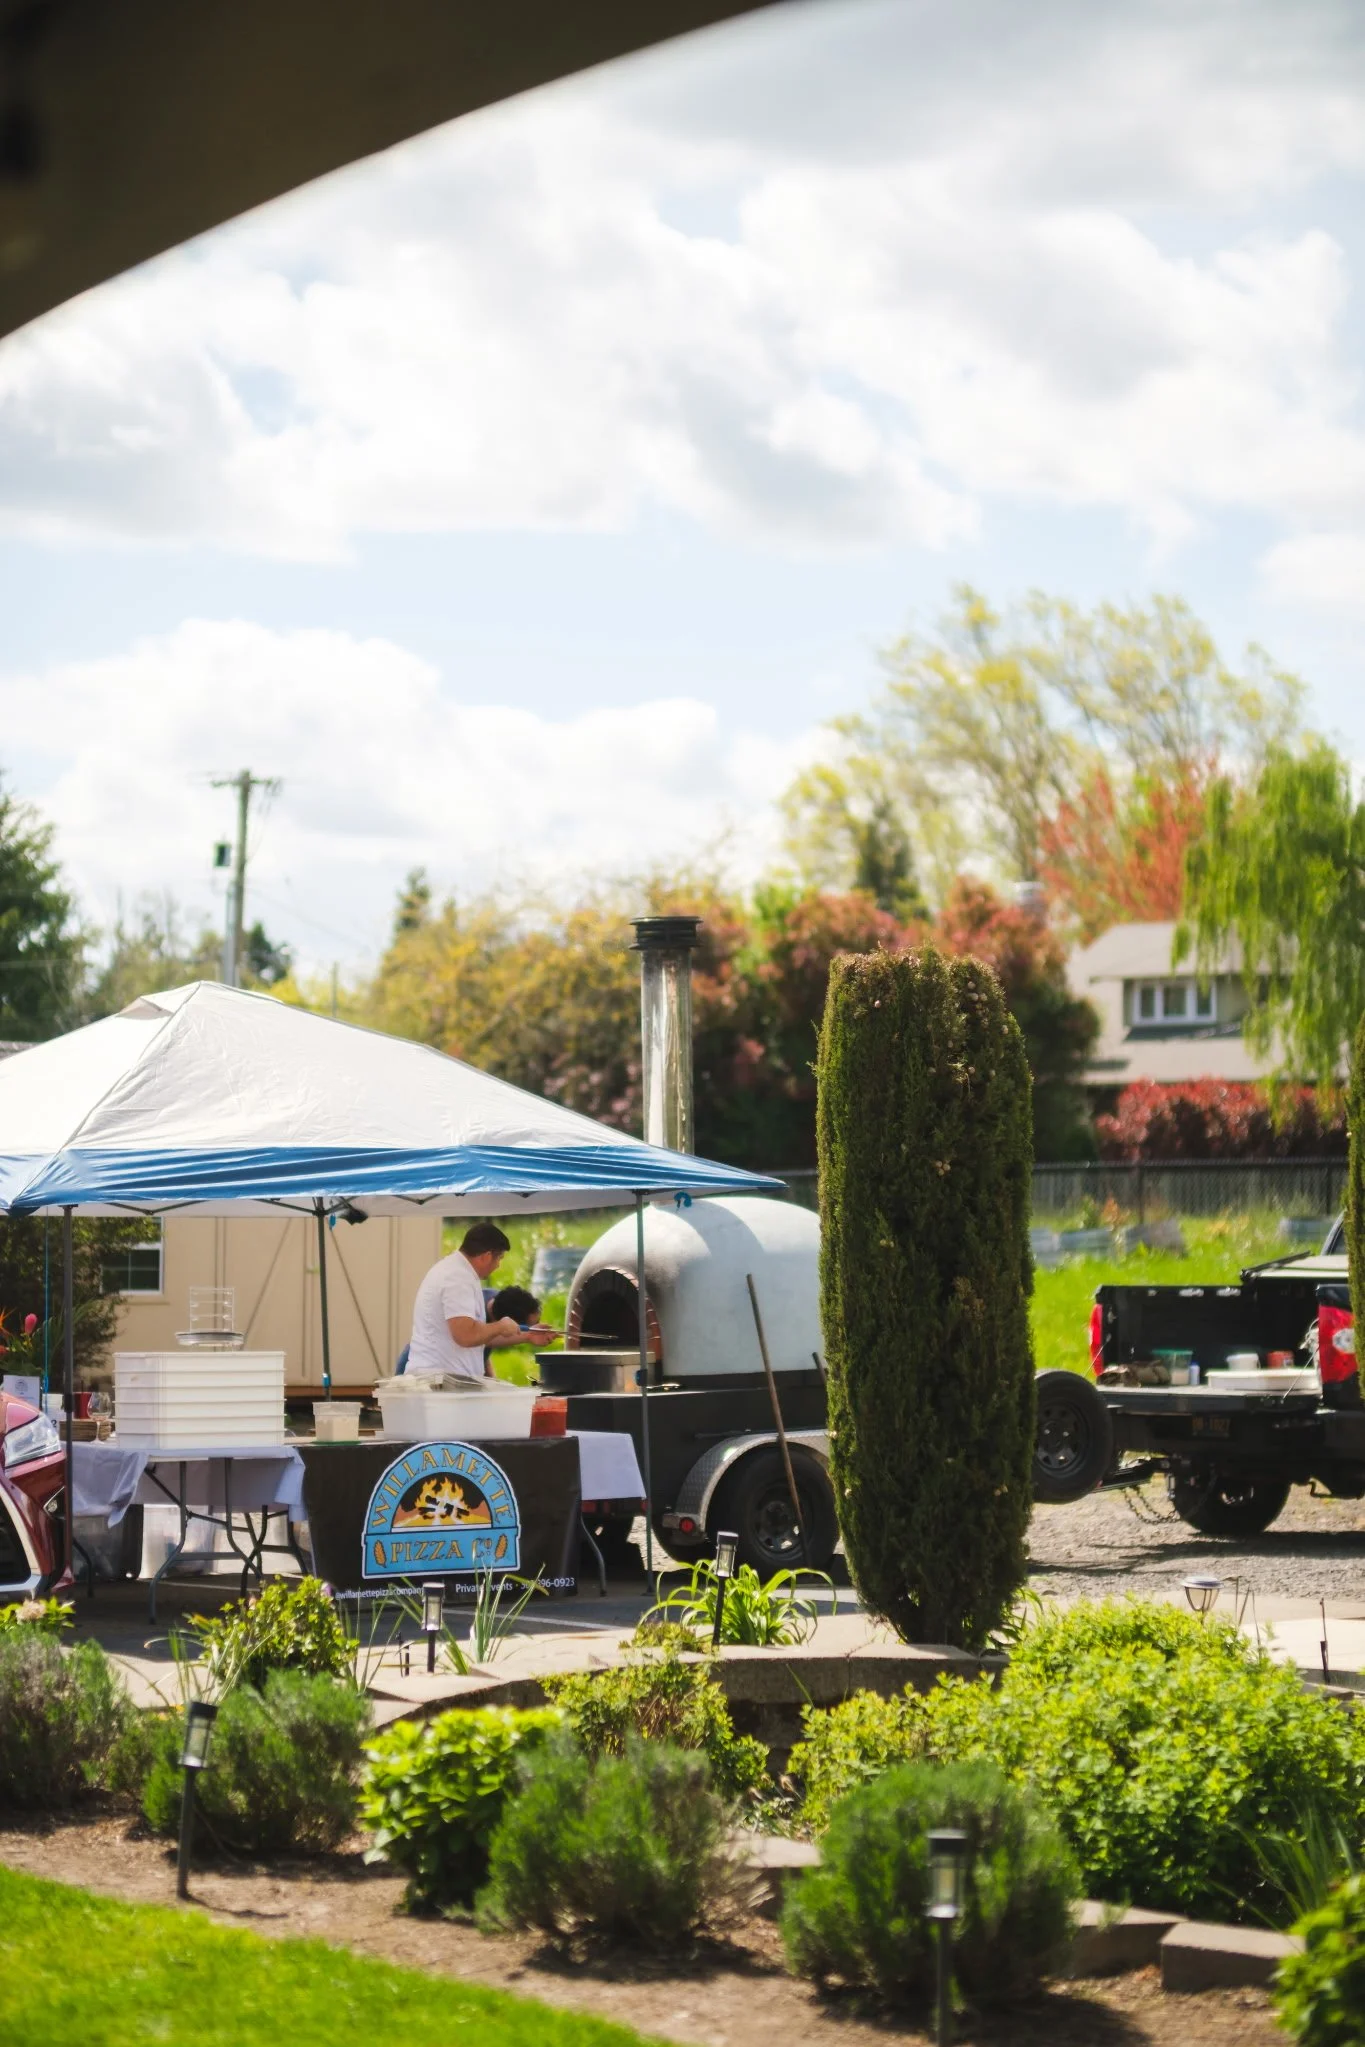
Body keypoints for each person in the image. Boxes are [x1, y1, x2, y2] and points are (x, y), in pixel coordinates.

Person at [405, 1222, 551, 1380]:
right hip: (441, 1383)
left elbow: (479, 1336)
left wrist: (528, 1335)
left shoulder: (457, 1272)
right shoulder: (457, 1278)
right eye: (499, 1259)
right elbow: (465, 1335)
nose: (498, 1266)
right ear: (486, 1256)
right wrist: (500, 1326)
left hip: (446, 1381)